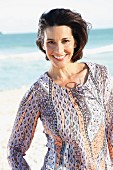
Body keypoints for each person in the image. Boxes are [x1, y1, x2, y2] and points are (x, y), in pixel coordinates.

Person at [7, 8, 113, 170]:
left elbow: (111, 130)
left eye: (65, 41)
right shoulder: (38, 92)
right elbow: (15, 149)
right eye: (51, 42)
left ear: (75, 41)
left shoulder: (100, 76)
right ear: (42, 44)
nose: (58, 50)